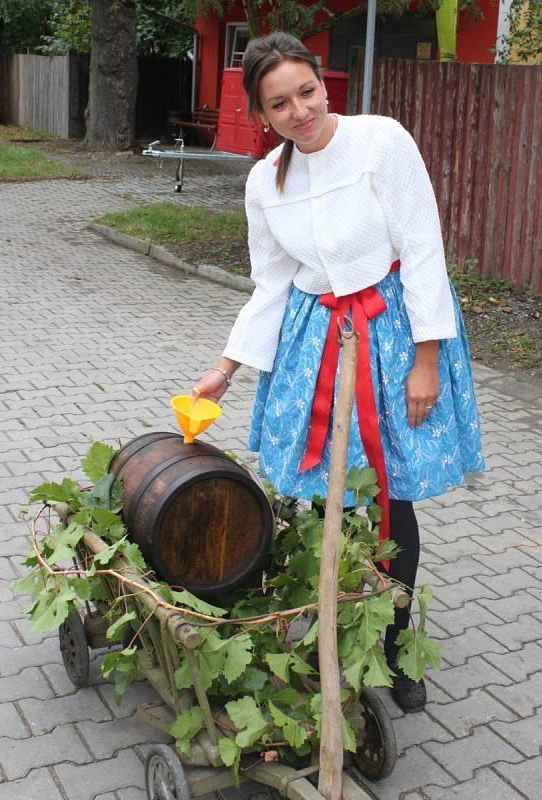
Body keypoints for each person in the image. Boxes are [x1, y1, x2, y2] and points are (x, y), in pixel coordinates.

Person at [191, 32, 484, 713]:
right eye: (279, 103)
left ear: (325, 84)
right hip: (312, 343)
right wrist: (225, 368)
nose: (300, 111)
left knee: (389, 496)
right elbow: (270, 285)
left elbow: (420, 246)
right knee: (325, 492)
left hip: (390, 333)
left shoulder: (380, 141)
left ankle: (393, 645)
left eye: (306, 91)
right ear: (261, 115)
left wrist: (426, 359)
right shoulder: (265, 181)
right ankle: (334, 622)